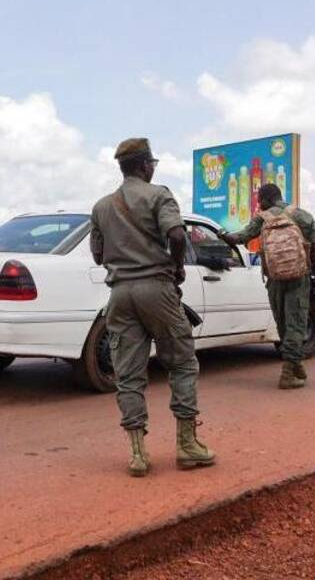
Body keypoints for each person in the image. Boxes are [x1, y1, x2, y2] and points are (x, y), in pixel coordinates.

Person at [89, 138, 215, 478]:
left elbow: (98, 255)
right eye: (152, 164)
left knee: (128, 373)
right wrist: (176, 267)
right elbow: (176, 236)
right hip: (156, 290)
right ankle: (188, 446)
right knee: (183, 362)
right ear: (146, 165)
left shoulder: (101, 206)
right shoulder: (159, 194)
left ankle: (138, 454)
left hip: (119, 294)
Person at [221, 184, 315, 390]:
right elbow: (314, 251)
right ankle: (290, 370)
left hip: (274, 277)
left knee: (283, 322)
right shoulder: (302, 216)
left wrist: (224, 235)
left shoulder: (262, 218)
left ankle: (292, 367)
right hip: (299, 276)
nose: (258, 203)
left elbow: (239, 237)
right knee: (296, 322)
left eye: (259, 199)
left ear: (266, 198)